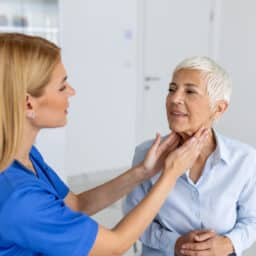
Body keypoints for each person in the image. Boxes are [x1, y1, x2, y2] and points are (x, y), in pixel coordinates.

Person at [0, 33, 209, 256]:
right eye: (62, 87)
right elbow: (114, 246)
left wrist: (142, 172)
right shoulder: (19, 198)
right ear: (28, 104)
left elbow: (76, 205)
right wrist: (170, 174)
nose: (72, 92)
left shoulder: (22, 155)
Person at [124, 56, 256, 256]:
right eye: (171, 89)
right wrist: (174, 244)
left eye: (190, 91)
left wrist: (228, 244)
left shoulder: (244, 159)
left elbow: (252, 221)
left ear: (219, 108)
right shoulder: (146, 155)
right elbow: (132, 223)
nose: (175, 99)